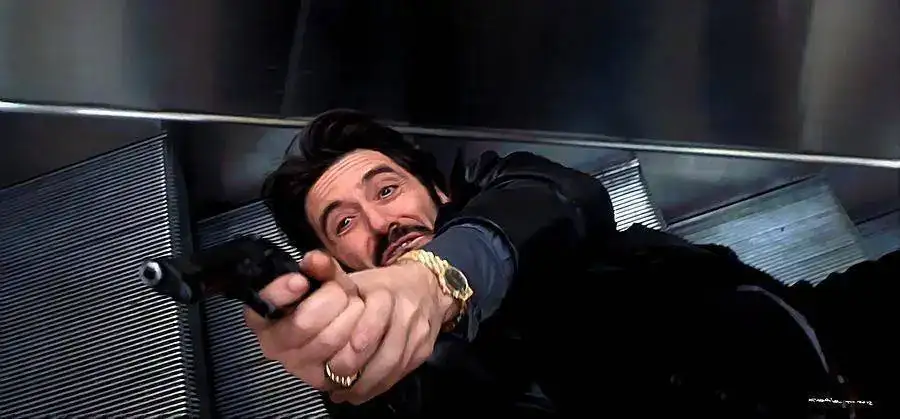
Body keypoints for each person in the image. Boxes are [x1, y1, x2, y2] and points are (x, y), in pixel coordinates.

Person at [250, 109, 897, 418]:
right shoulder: (382, 383)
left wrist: (438, 278)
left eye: (387, 189)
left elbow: (560, 198)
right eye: (343, 223)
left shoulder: (508, 189)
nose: (380, 222)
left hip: (818, 339)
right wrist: (349, 359)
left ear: (439, 191)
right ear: (333, 260)